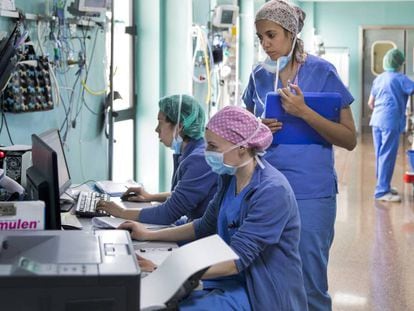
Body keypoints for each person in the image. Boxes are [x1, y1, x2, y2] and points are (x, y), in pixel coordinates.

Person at [117, 106, 308, 310]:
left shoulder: (272, 191)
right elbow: (203, 226)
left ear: (242, 148)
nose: (206, 152)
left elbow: (237, 259)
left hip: (261, 289)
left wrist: (165, 270)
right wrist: (147, 235)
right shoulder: (229, 176)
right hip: (228, 278)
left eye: (213, 147)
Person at [242, 1, 357, 310]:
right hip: (267, 188)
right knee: (267, 276)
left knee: (310, 283)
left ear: (291, 33)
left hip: (311, 192)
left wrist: (304, 112)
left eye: (271, 35)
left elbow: (349, 138)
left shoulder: (322, 72)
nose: (265, 45)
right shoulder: (258, 76)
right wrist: (258, 128)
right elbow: (244, 136)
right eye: (260, 38)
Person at [98, 94, 217, 225]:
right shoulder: (191, 152)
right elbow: (180, 195)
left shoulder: (200, 160)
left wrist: (121, 212)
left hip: (204, 236)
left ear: (180, 126)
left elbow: (169, 213)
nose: (156, 129)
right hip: (192, 222)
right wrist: (150, 197)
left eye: (160, 122)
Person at [368, 48, 414, 202]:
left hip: (376, 121)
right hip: (390, 121)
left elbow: (370, 103)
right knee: (387, 155)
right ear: (400, 63)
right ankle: (382, 191)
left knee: (381, 155)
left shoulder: (379, 78)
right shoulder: (401, 79)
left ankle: (383, 186)